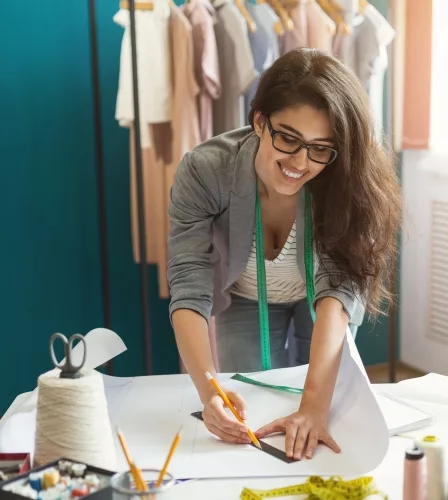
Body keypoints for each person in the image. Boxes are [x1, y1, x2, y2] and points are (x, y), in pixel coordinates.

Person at [167, 48, 401, 460]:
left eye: (320, 147)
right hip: (244, 295)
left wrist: (313, 407)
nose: (300, 162)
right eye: (288, 138)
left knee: (327, 414)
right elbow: (189, 284)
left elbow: (337, 290)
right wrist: (209, 392)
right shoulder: (205, 171)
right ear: (259, 121)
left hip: (323, 302)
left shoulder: (341, 176)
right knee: (252, 413)